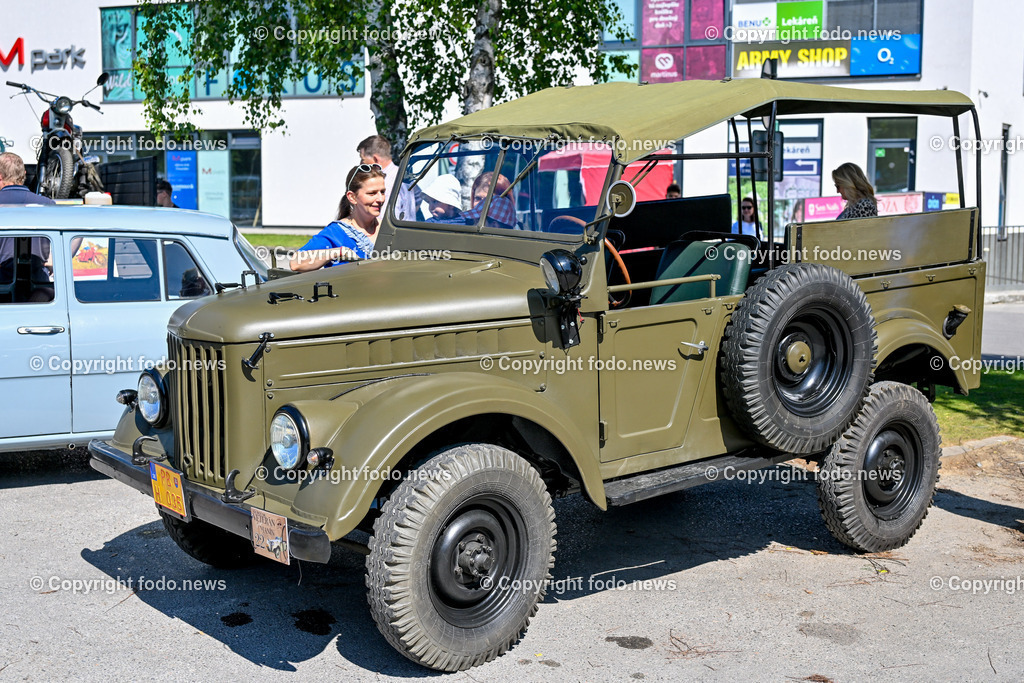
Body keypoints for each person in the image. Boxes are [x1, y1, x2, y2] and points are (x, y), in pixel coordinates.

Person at [289, 164, 386, 271]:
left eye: (382, 192)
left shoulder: (389, 228)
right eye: (372, 193)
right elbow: (296, 262)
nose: (381, 199)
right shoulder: (336, 232)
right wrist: (340, 251)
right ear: (352, 197)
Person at [0, 152, 55, 301]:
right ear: (24, 174)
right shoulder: (48, 205)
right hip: (39, 287)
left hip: (3, 287)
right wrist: (52, 260)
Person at [357, 135, 416, 220]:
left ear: (375, 159)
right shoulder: (402, 174)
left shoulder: (385, 183)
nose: (361, 164)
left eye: (363, 159)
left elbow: (383, 219)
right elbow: (418, 196)